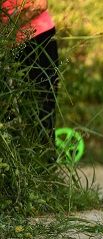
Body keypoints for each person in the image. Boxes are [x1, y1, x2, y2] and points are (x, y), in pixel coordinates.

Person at [1, 0, 59, 145]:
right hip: (10, 47)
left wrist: (8, 29)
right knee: (13, 109)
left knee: (42, 105)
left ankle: (45, 161)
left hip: (38, 38)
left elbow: (40, 4)